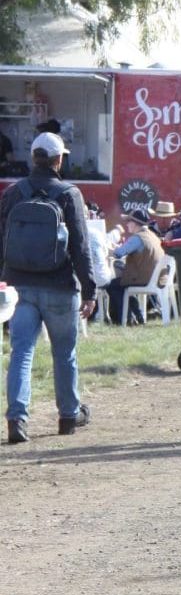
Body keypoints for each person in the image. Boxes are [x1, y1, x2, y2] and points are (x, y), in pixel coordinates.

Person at [0, 132, 97, 443]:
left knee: (21, 353)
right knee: (64, 353)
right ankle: (68, 416)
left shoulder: (14, 193)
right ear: (59, 160)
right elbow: (81, 247)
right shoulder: (69, 193)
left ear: (33, 158)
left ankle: (17, 419)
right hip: (59, 285)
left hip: (19, 285)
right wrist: (90, 289)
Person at [103, 207, 165, 325]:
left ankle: (125, 320)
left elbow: (118, 253)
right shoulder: (152, 235)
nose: (126, 224)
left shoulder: (137, 238)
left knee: (113, 285)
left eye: (128, 221)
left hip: (144, 278)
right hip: (153, 277)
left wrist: (106, 248)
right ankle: (138, 316)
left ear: (135, 223)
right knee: (123, 285)